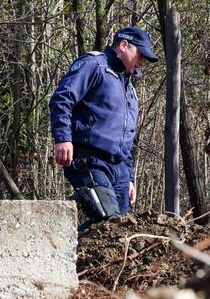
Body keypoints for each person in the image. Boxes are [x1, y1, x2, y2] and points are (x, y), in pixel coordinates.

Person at [49, 27, 158, 230]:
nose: (142, 61)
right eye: (141, 54)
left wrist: (130, 178)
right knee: (107, 224)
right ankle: (58, 254)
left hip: (120, 170)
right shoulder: (95, 65)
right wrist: (63, 138)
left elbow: (126, 138)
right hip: (89, 160)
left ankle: (73, 252)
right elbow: (62, 98)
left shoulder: (130, 90)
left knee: (121, 230)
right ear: (124, 45)